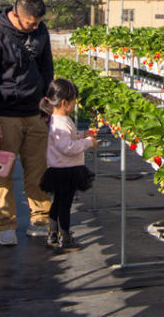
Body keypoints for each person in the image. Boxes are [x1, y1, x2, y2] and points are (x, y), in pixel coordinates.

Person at [0, 0, 55, 246]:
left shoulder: (41, 32)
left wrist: (47, 106)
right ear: (16, 14)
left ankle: (40, 220)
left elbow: (47, 68)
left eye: (38, 22)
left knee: (38, 171)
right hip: (5, 116)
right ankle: (5, 225)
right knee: (1, 173)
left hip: (35, 113)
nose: (35, 27)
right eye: (31, 23)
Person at [40, 78, 97, 251]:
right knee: (65, 205)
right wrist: (88, 142)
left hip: (58, 169)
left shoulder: (58, 119)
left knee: (57, 203)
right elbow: (68, 147)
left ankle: (52, 235)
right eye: (73, 101)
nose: (75, 105)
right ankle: (65, 238)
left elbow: (69, 138)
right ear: (65, 103)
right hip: (67, 170)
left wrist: (82, 134)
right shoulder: (61, 123)